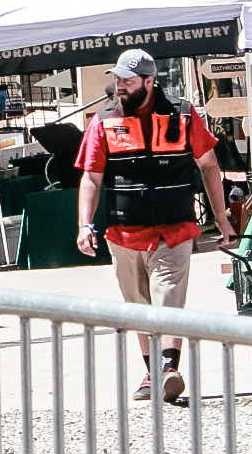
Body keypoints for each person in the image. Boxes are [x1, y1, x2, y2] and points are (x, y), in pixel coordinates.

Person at [75, 50, 234, 404]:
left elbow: (208, 165)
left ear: (150, 81)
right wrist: (85, 224)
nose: (120, 87)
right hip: (124, 234)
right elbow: (91, 178)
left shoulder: (183, 115)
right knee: (138, 307)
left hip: (174, 231)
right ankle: (154, 371)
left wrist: (221, 216)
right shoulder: (103, 122)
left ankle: (166, 367)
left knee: (167, 300)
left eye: (128, 81)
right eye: (118, 80)